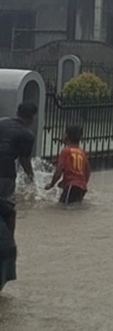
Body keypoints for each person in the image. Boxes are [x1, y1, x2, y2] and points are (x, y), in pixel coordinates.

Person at [0, 102, 37, 292]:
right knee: (7, 209)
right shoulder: (27, 135)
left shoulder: (2, 122)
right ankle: (9, 239)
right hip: (4, 174)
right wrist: (32, 180)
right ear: (32, 118)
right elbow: (24, 161)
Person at [45, 126, 91, 204]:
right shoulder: (82, 152)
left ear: (66, 136)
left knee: (63, 209)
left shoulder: (65, 151)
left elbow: (59, 171)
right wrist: (82, 183)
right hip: (82, 188)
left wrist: (51, 184)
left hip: (71, 186)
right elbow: (88, 171)